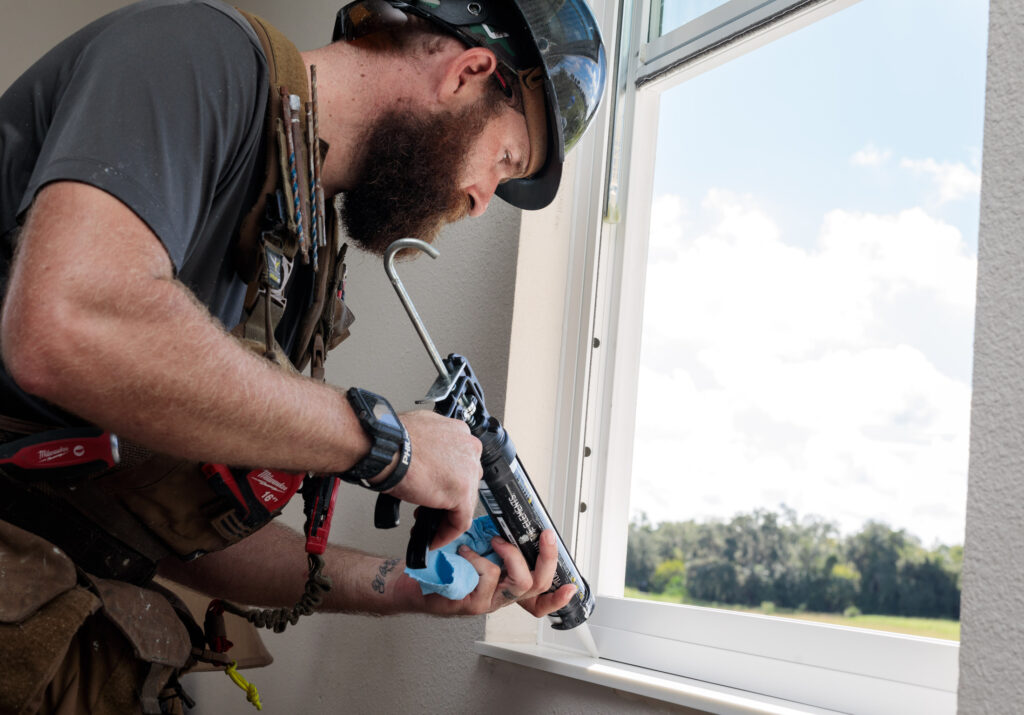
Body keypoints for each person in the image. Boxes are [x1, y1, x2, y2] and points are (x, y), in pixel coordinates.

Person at [0, 0, 605, 711]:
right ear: (469, 71)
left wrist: (412, 586)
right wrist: (385, 441)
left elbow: (166, 531)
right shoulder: (196, 56)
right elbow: (67, 322)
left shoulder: (298, 244)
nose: (480, 202)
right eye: (504, 160)